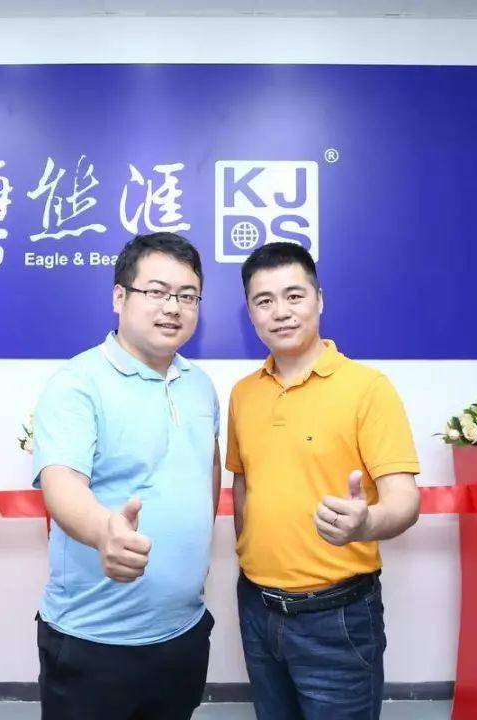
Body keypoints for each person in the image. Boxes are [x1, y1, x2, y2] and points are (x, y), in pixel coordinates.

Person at [226, 241, 421, 720]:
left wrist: (366, 523)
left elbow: (404, 499)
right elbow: (244, 483)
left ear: (319, 299)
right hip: (257, 609)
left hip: (337, 618)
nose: (280, 312)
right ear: (250, 313)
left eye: (294, 296)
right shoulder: (243, 394)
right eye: (264, 300)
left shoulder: (368, 388)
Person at [31, 232, 222, 720]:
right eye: (157, 292)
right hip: (95, 642)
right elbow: (61, 483)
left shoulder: (199, 385)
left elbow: (208, 467)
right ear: (120, 297)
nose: (172, 307)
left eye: (187, 296)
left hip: (182, 633)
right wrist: (104, 533)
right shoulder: (77, 383)